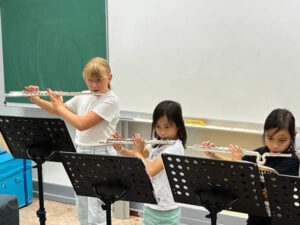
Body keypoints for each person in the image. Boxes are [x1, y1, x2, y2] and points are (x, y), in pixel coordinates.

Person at [25, 57, 120, 225]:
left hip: (101, 155)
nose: (94, 85)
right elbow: (58, 111)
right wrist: (37, 99)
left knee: (97, 211)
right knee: (82, 208)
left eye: (99, 80)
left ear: (109, 78)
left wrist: (60, 108)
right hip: (81, 153)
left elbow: (82, 124)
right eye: (90, 80)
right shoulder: (84, 96)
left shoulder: (110, 100)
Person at [202, 108, 300, 225]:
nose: (274, 145)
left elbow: (267, 190)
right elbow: (242, 165)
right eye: (270, 138)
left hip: (279, 219)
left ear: (292, 137)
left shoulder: (291, 161)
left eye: (282, 140)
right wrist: (214, 155)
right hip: (256, 217)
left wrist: (238, 165)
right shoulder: (260, 153)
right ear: (264, 133)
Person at [112, 100, 187, 225]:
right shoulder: (157, 143)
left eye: (167, 127)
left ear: (178, 126)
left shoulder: (175, 147)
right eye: (158, 126)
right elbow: (138, 157)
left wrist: (138, 153)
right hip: (150, 204)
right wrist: (121, 149)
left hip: (166, 209)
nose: (162, 132)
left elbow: (151, 170)